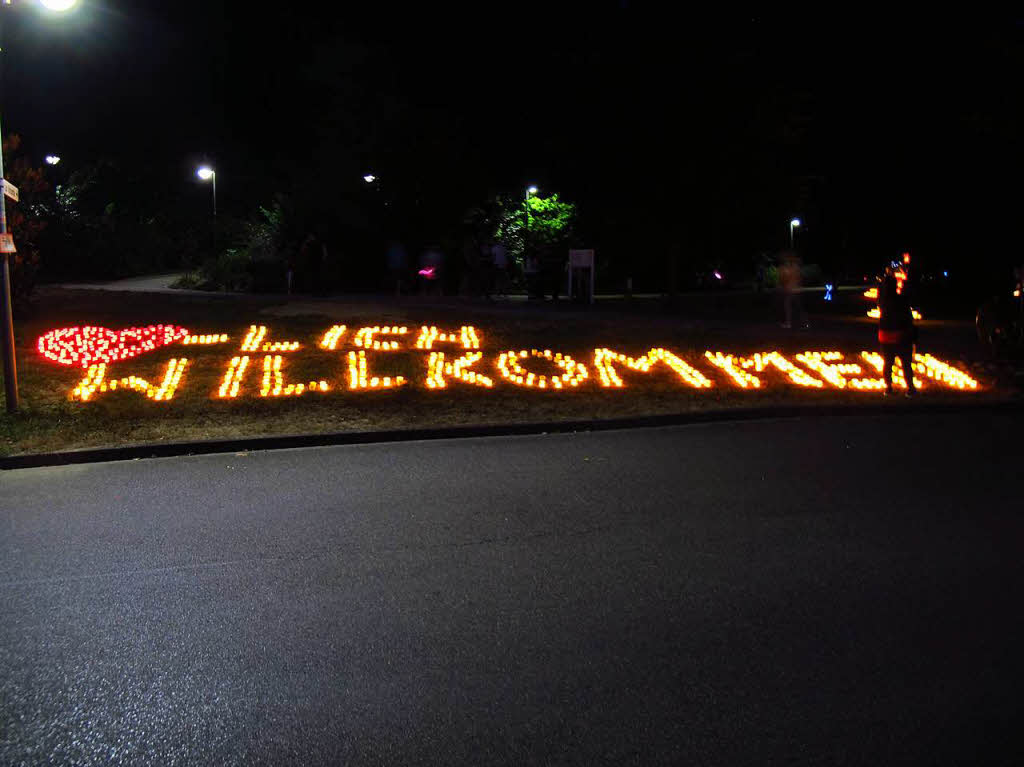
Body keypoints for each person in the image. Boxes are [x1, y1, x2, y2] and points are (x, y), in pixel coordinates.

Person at [878, 265, 918, 396]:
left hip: (886, 336)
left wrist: (887, 277)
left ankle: (888, 387)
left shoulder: (883, 301)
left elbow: (883, 288)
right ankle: (910, 388)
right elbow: (908, 316)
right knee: (906, 362)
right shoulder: (901, 301)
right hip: (901, 336)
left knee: (888, 363)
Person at [779, 251, 808, 328]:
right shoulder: (795, 267)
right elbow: (800, 277)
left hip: (791, 290)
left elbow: (785, 278)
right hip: (796, 289)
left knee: (789, 306)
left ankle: (789, 323)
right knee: (798, 307)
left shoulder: (789, 267)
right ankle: (804, 323)